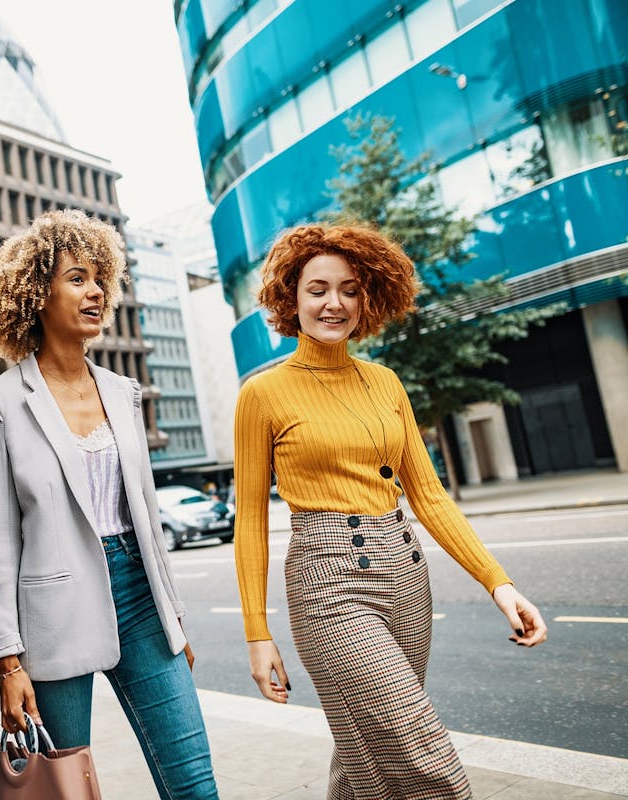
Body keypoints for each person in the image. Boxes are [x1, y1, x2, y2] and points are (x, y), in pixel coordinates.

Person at [233, 222, 547, 799]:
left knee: (367, 758)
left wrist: (499, 584)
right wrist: (257, 631)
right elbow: (249, 518)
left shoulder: (385, 382)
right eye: (318, 289)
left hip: (406, 577)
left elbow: (428, 495)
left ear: (368, 296)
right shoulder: (263, 393)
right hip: (327, 583)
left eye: (350, 289)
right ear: (290, 297)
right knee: (423, 756)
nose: (335, 303)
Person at [0, 210, 219, 800]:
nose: (97, 291)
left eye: (101, 278)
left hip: (140, 600)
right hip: (50, 616)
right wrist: (7, 662)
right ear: (35, 294)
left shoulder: (123, 393)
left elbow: (148, 522)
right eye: (78, 278)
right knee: (60, 790)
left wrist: (173, 617)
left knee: (195, 784)